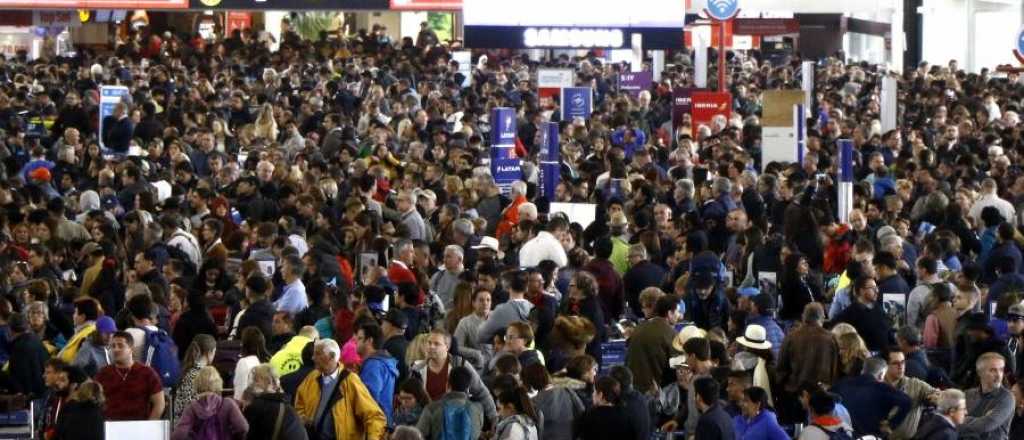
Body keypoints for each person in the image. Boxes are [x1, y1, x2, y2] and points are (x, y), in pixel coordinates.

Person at [293, 339, 387, 440]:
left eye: (317, 354)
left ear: (332, 357)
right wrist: (302, 418)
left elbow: (374, 416)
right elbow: (299, 402)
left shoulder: (350, 381)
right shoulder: (312, 378)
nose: (313, 358)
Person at [411, 329, 497, 424]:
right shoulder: (417, 369)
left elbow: (481, 392)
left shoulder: (461, 364)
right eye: (429, 343)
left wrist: (494, 418)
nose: (431, 347)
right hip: (428, 423)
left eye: (436, 344)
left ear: (447, 347)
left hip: (456, 423)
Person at [831, 357, 911, 437]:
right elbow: (907, 401)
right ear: (881, 375)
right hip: (868, 436)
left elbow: (827, 395)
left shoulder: (843, 383)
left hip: (839, 434)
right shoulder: (882, 389)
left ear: (863, 370)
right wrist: (891, 425)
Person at [94, 331, 165, 420]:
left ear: (131, 349)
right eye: (113, 346)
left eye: (120, 346)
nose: (116, 349)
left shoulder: (147, 373)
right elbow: (94, 401)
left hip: (139, 426)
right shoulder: (103, 374)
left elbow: (159, 403)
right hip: (110, 427)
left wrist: (149, 426)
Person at [171, 366, 249, 440]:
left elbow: (178, 435)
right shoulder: (228, 404)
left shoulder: (192, 407)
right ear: (219, 382)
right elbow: (243, 428)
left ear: (197, 383)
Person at [626, 295, 680, 393]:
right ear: (669, 313)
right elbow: (677, 366)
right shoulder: (670, 333)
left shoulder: (639, 328)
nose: (679, 315)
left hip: (633, 386)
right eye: (678, 312)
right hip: (654, 391)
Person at [415, 366, 484, 440]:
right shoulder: (477, 409)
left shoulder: (432, 409)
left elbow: (417, 436)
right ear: (468, 388)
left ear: (448, 384)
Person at [242, 363, 309, 440]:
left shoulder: (257, 407)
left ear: (268, 382)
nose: (252, 383)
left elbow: (247, 434)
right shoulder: (287, 405)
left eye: (256, 380)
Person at [884, 350, 939, 440]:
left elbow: (937, 394)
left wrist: (935, 398)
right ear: (886, 366)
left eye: (903, 362)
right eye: (895, 363)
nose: (901, 367)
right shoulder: (876, 386)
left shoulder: (915, 384)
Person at [959, 352, 1014, 440]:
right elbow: (951, 419)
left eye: (1001, 370)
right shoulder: (968, 394)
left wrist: (962, 420)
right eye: (993, 370)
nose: (999, 375)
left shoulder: (1007, 398)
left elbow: (985, 425)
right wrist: (979, 420)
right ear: (979, 372)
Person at [354, 323, 398, 425]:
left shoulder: (374, 365)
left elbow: (368, 400)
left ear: (370, 341)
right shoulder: (382, 362)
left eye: (360, 338)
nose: (356, 341)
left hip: (374, 425)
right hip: (383, 422)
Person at [834, 276, 892, 352]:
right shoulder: (850, 313)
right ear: (861, 291)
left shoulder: (878, 308)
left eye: (876, 287)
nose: (877, 290)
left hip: (883, 356)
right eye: (872, 288)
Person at [574, 375, 638, 440]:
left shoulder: (589, 416)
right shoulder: (626, 415)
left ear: (601, 395)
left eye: (594, 391)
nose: (592, 394)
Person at [173, 334, 217, 421]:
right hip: (193, 426)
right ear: (210, 353)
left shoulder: (187, 371)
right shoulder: (205, 374)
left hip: (180, 424)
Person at [234, 326, 272, 400]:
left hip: (248, 406)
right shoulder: (271, 360)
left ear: (244, 344)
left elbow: (240, 394)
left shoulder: (244, 363)